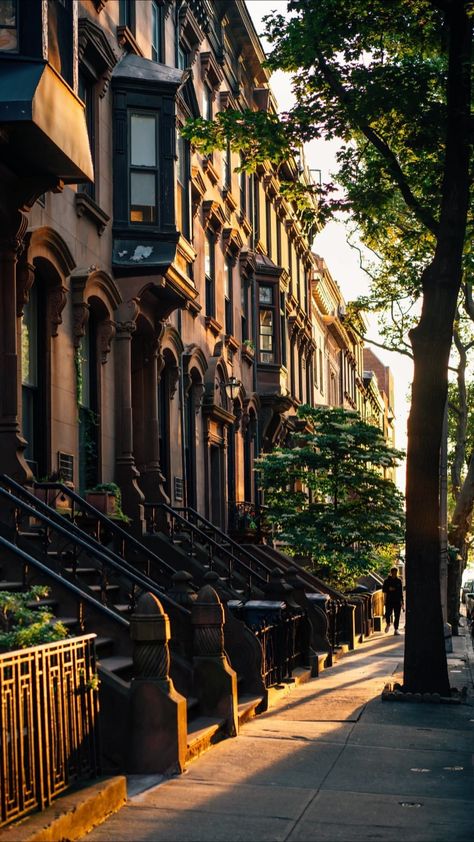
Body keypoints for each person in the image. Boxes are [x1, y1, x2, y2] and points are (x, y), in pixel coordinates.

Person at [382, 566, 404, 635]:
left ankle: (396, 629)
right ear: (391, 573)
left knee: (397, 615)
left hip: (397, 600)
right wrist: (384, 600)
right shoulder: (387, 581)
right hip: (389, 600)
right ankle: (388, 623)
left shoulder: (399, 581)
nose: (395, 574)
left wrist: (402, 602)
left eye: (396, 572)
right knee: (387, 614)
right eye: (393, 572)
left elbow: (401, 592)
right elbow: (384, 591)